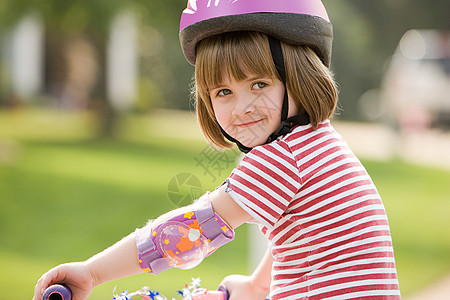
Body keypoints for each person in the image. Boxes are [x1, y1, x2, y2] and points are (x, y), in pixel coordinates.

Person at [33, 1, 401, 299]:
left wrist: (93, 272)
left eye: (258, 84)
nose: (241, 108)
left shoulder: (283, 158)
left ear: (301, 78)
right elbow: (310, 241)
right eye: (223, 92)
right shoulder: (318, 143)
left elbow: (191, 230)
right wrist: (255, 288)